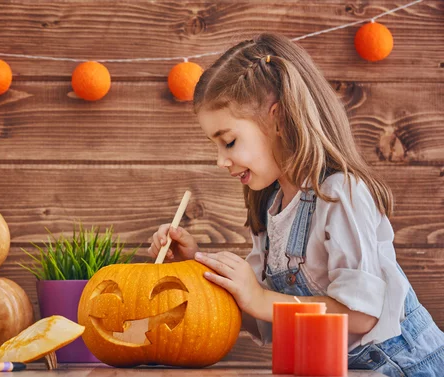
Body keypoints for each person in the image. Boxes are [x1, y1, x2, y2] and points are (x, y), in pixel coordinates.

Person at [147, 33, 444, 376]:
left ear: (280, 119)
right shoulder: (271, 207)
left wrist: (260, 299)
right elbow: (259, 313)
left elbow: (363, 315)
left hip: (409, 368)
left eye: (228, 141)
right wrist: (197, 272)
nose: (220, 160)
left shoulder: (340, 194)